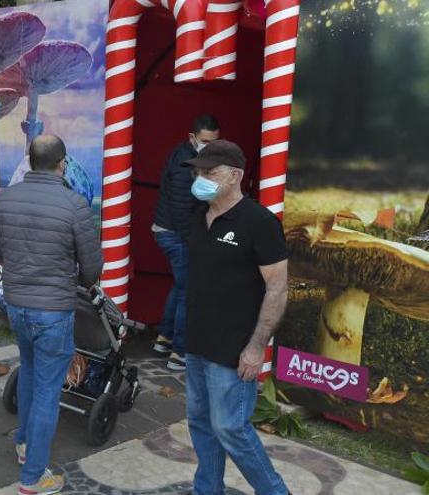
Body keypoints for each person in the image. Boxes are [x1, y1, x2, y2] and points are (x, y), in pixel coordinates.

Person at [0, 135, 103, 495]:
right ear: (62, 163)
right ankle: (34, 477)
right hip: (53, 309)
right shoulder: (73, 204)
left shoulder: (6, 198)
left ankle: (24, 445)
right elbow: (92, 266)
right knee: (47, 392)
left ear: (31, 161)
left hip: (17, 305)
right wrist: (76, 280)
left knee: (29, 370)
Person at [184, 140, 290, 495]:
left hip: (234, 348)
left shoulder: (260, 222)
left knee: (231, 428)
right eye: (199, 172)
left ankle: (275, 491)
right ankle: (207, 489)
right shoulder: (199, 216)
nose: (201, 178)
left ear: (235, 176)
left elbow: (277, 289)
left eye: (209, 172)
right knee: (200, 422)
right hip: (197, 341)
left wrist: (257, 347)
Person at [152, 114, 220, 371]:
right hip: (176, 234)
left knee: (180, 287)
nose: (210, 145)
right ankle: (179, 353)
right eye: (205, 141)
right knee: (188, 292)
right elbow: (182, 210)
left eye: (214, 141)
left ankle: (164, 338)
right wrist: (195, 241)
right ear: (192, 138)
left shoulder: (190, 156)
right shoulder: (185, 162)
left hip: (170, 232)